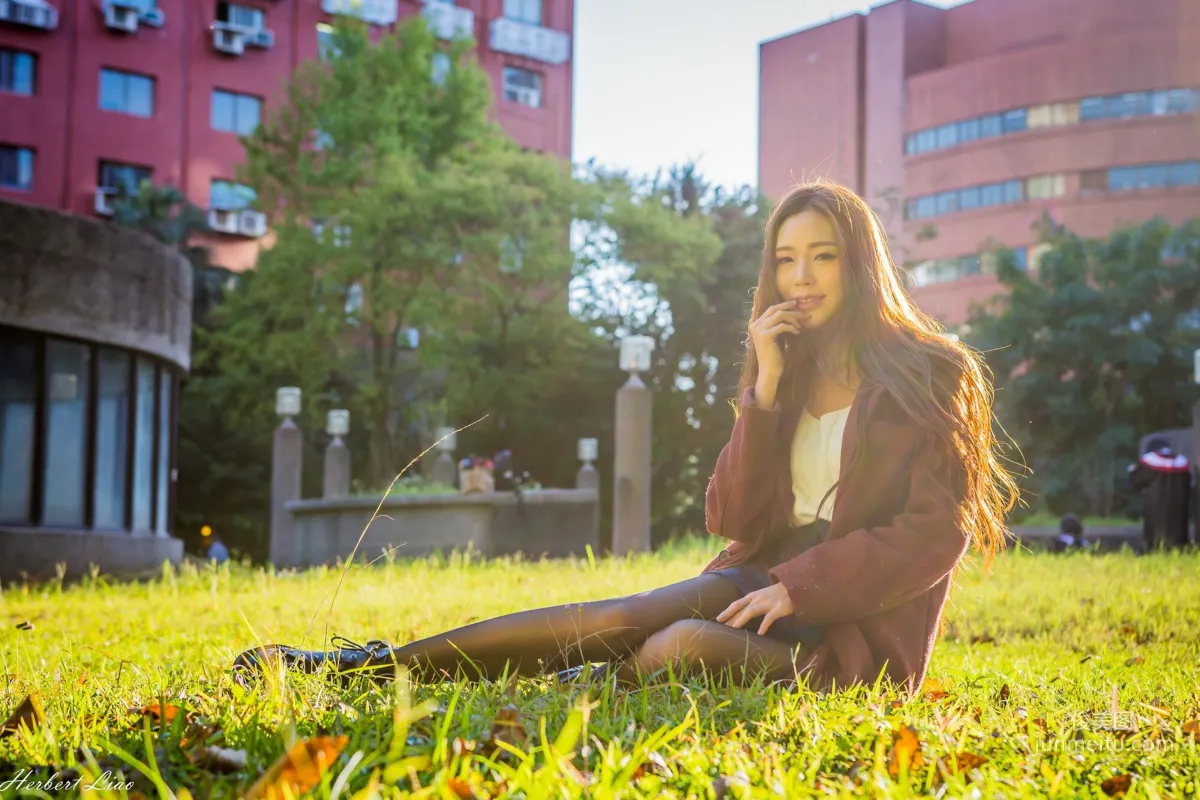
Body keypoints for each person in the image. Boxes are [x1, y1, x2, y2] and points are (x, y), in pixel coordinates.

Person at [231, 181, 1017, 695]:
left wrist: (803, 588)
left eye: (822, 258)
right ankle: (370, 667)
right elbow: (734, 521)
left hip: (855, 634)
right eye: (785, 261)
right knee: (619, 616)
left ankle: (568, 689)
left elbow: (936, 532)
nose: (801, 279)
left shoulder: (932, 372)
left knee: (678, 646)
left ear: (861, 266)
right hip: (764, 578)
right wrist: (765, 394)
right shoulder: (790, 368)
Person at [1128, 437, 1192, 550]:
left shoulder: (1149, 461)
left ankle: (1154, 547)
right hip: (1178, 505)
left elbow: (1136, 482)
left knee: (1156, 533)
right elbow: (1188, 483)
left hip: (1156, 503)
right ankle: (1178, 547)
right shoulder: (1181, 462)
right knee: (1177, 530)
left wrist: (1133, 471)